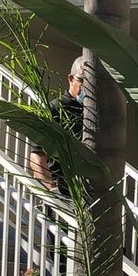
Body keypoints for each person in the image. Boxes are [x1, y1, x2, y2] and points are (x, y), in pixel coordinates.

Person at [28, 55, 86, 195]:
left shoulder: (91, 114)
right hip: (62, 193)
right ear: (71, 79)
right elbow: (37, 156)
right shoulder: (55, 109)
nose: (86, 87)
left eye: (90, 83)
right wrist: (52, 189)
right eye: (82, 81)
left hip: (86, 193)